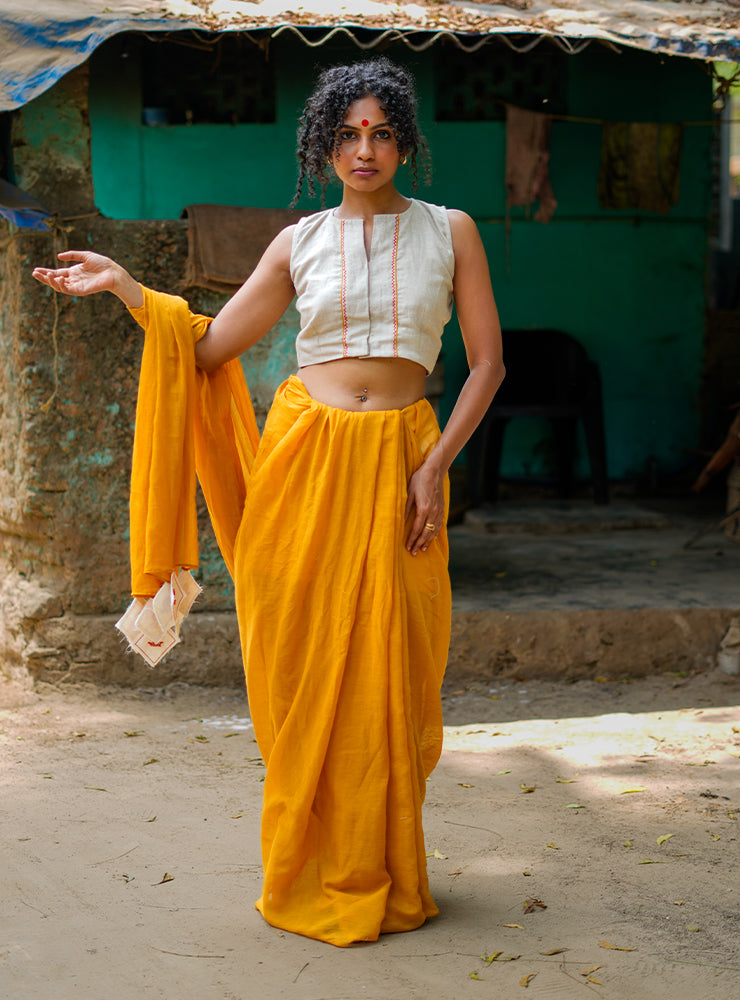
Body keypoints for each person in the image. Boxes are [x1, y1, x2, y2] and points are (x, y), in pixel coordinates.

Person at [32, 57, 504, 947]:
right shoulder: (299, 243)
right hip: (303, 467)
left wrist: (435, 465)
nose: (364, 150)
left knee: (397, 668)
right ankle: (307, 868)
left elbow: (486, 364)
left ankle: (382, 867)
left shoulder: (451, 231)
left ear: (404, 144)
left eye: (382, 133)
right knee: (298, 660)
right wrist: (128, 287)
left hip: (402, 463)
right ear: (323, 147)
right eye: (347, 135)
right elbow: (208, 350)